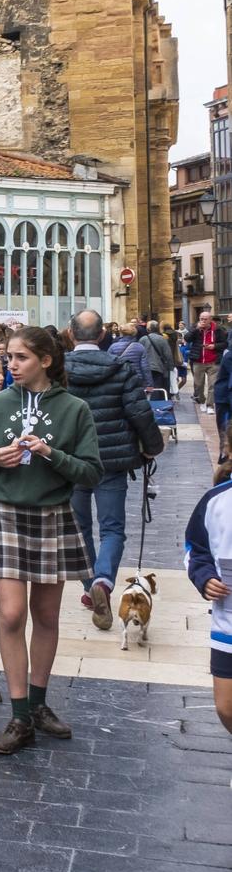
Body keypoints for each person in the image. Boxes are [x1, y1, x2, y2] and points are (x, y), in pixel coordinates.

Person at [0, 327, 102, 757]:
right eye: (8, 357)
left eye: (21, 357)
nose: (11, 365)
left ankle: (39, 704)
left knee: (46, 614)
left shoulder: (75, 408)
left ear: (45, 360)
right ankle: (19, 713)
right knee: (10, 615)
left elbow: (91, 472)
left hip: (52, 514)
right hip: (4, 512)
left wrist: (50, 454)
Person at [64, 310, 163, 630]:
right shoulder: (119, 368)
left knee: (79, 528)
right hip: (110, 461)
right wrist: (152, 447)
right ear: (102, 336)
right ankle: (103, 581)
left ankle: (89, 587)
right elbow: (139, 412)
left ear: (70, 334)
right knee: (111, 528)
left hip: (71, 461)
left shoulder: (59, 371)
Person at [185, 468, 232, 738]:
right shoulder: (216, 501)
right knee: (226, 707)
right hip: (228, 624)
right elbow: (196, 548)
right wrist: (205, 578)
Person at [191, 309, 225, 411]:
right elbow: (187, 338)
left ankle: (210, 405)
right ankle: (202, 401)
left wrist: (214, 346)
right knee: (198, 384)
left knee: (213, 385)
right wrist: (196, 329)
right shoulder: (195, 328)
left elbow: (224, 344)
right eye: (201, 319)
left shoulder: (218, 330)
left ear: (210, 319)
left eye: (205, 319)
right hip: (198, 361)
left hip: (213, 362)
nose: (203, 321)